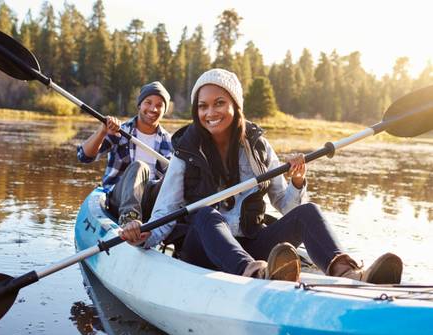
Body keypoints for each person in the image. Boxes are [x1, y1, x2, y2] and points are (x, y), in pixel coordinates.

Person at [120, 69, 403, 284]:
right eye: (202, 106)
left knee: (308, 212)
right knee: (206, 214)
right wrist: (143, 235)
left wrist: (297, 183)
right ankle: (254, 272)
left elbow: (286, 204)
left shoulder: (258, 146)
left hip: (252, 242)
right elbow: (165, 211)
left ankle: (348, 273)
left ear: (235, 106)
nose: (210, 112)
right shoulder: (186, 150)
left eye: (219, 103)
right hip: (203, 247)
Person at [77, 81, 173, 226]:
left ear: (164, 110)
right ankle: (129, 219)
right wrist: (102, 131)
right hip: (119, 198)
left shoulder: (169, 140)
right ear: (139, 105)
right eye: (148, 102)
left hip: (151, 203)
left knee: (174, 176)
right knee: (139, 167)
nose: (153, 108)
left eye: (159, 105)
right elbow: (84, 157)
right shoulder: (120, 131)